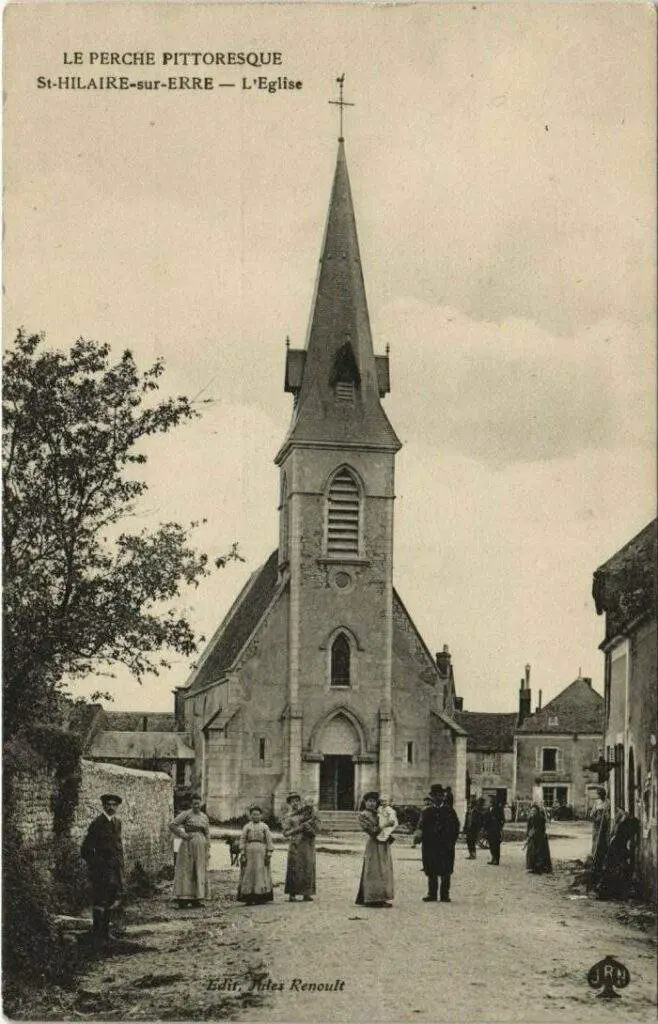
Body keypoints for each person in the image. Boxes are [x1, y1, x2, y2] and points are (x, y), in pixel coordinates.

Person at [80, 793, 125, 945]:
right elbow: (85, 849)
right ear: (103, 805)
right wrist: (96, 866)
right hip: (101, 871)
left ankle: (106, 932)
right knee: (100, 899)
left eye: (114, 805)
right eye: (108, 804)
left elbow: (118, 848)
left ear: (117, 807)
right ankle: (97, 933)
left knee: (110, 899)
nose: (111, 807)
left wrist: (120, 867)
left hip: (114, 869)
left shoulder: (117, 823)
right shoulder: (97, 823)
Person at [413, 784, 460, 902]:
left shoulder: (450, 811)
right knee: (431, 870)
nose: (438, 798)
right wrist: (418, 837)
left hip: (446, 846)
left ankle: (445, 895)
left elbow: (456, 827)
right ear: (431, 797)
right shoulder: (426, 811)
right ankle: (432, 894)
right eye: (435, 796)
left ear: (443, 796)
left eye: (440, 795)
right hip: (430, 845)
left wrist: (452, 842)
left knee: (446, 871)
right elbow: (420, 826)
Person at [169, 793, 211, 906]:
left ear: (201, 803)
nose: (196, 806)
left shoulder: (204, 817)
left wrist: (208, 847)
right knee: (187, 869)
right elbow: (172, 825)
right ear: (191, 804)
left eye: (198, 803)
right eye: (194, 804)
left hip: (201, 845)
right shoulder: (186, 814)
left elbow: (207, 833)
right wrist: (183, 835)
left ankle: (197, 898)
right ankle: (184, 898)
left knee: (198, 869)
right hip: (187, 845)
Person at [355, 791, 394, 907]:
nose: (372, 804)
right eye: (369, 801)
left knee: (383, 869)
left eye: (373, 801)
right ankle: (372, 898)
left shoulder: (379, 813)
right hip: (374, 844)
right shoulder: (363, 815)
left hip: (383, 843)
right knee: (373, 870)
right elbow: (371, 831)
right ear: (365, 802)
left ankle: (382, 897)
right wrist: (385, 825)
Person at [282, 792, 319, 902]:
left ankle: (306, 893)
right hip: (295, 844)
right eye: (292, 801)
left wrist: (311, 829)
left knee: (307, 866)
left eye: (297, 800)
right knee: (294, 867)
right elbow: (285, 832)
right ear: (289, 803)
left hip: (307, 843)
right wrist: (295, 831)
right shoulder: (288, 816)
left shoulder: (306, 813)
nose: (295, 803)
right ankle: (292, 894)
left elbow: (315, 825)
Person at [597, 809, 639, 900]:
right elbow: (621, 845)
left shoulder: (622, 826)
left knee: (611, 871)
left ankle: (607, 893)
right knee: (614, 871)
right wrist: (628, 855)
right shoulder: (625, 830)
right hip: (616, 851)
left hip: (614, 850)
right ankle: (609, 893)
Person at [237, 804, 274, 905]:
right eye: (253, 814)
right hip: (249, 852)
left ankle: (260, 896)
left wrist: (269, 853)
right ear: (250, 816)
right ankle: (248, 896)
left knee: (260, 873)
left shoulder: (264, 827)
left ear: (261, 816)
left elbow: (269, 841)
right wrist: (243, 853)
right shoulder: (247, 826)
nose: (255, 816)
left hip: (261, 852)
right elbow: (242, 840)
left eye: (257, 815)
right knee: (249, 872)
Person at [525, 803, 552, 874]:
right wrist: (528, 835)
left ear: (537, 811)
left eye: (534, 811)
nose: (533, 812)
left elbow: (542, 828)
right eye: (532, 810)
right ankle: (532, 867)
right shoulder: (530, 818)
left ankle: (540, 867)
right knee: (531, 852)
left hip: (540, 837)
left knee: (540, 852)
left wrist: (535, 833)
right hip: (532, 837)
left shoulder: (540, 818)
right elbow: (529, 828)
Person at [484, 796, 505, 865]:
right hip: (489, 829)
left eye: (492, 800)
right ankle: (493, 858)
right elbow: (486, 818)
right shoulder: (488, 808)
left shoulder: (499, 808)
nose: (490, 801)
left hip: (496, 829)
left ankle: (496, 859)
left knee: (496, 845)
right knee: (491, 844)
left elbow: (502, 819)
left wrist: (500, 827)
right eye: (490, 800)